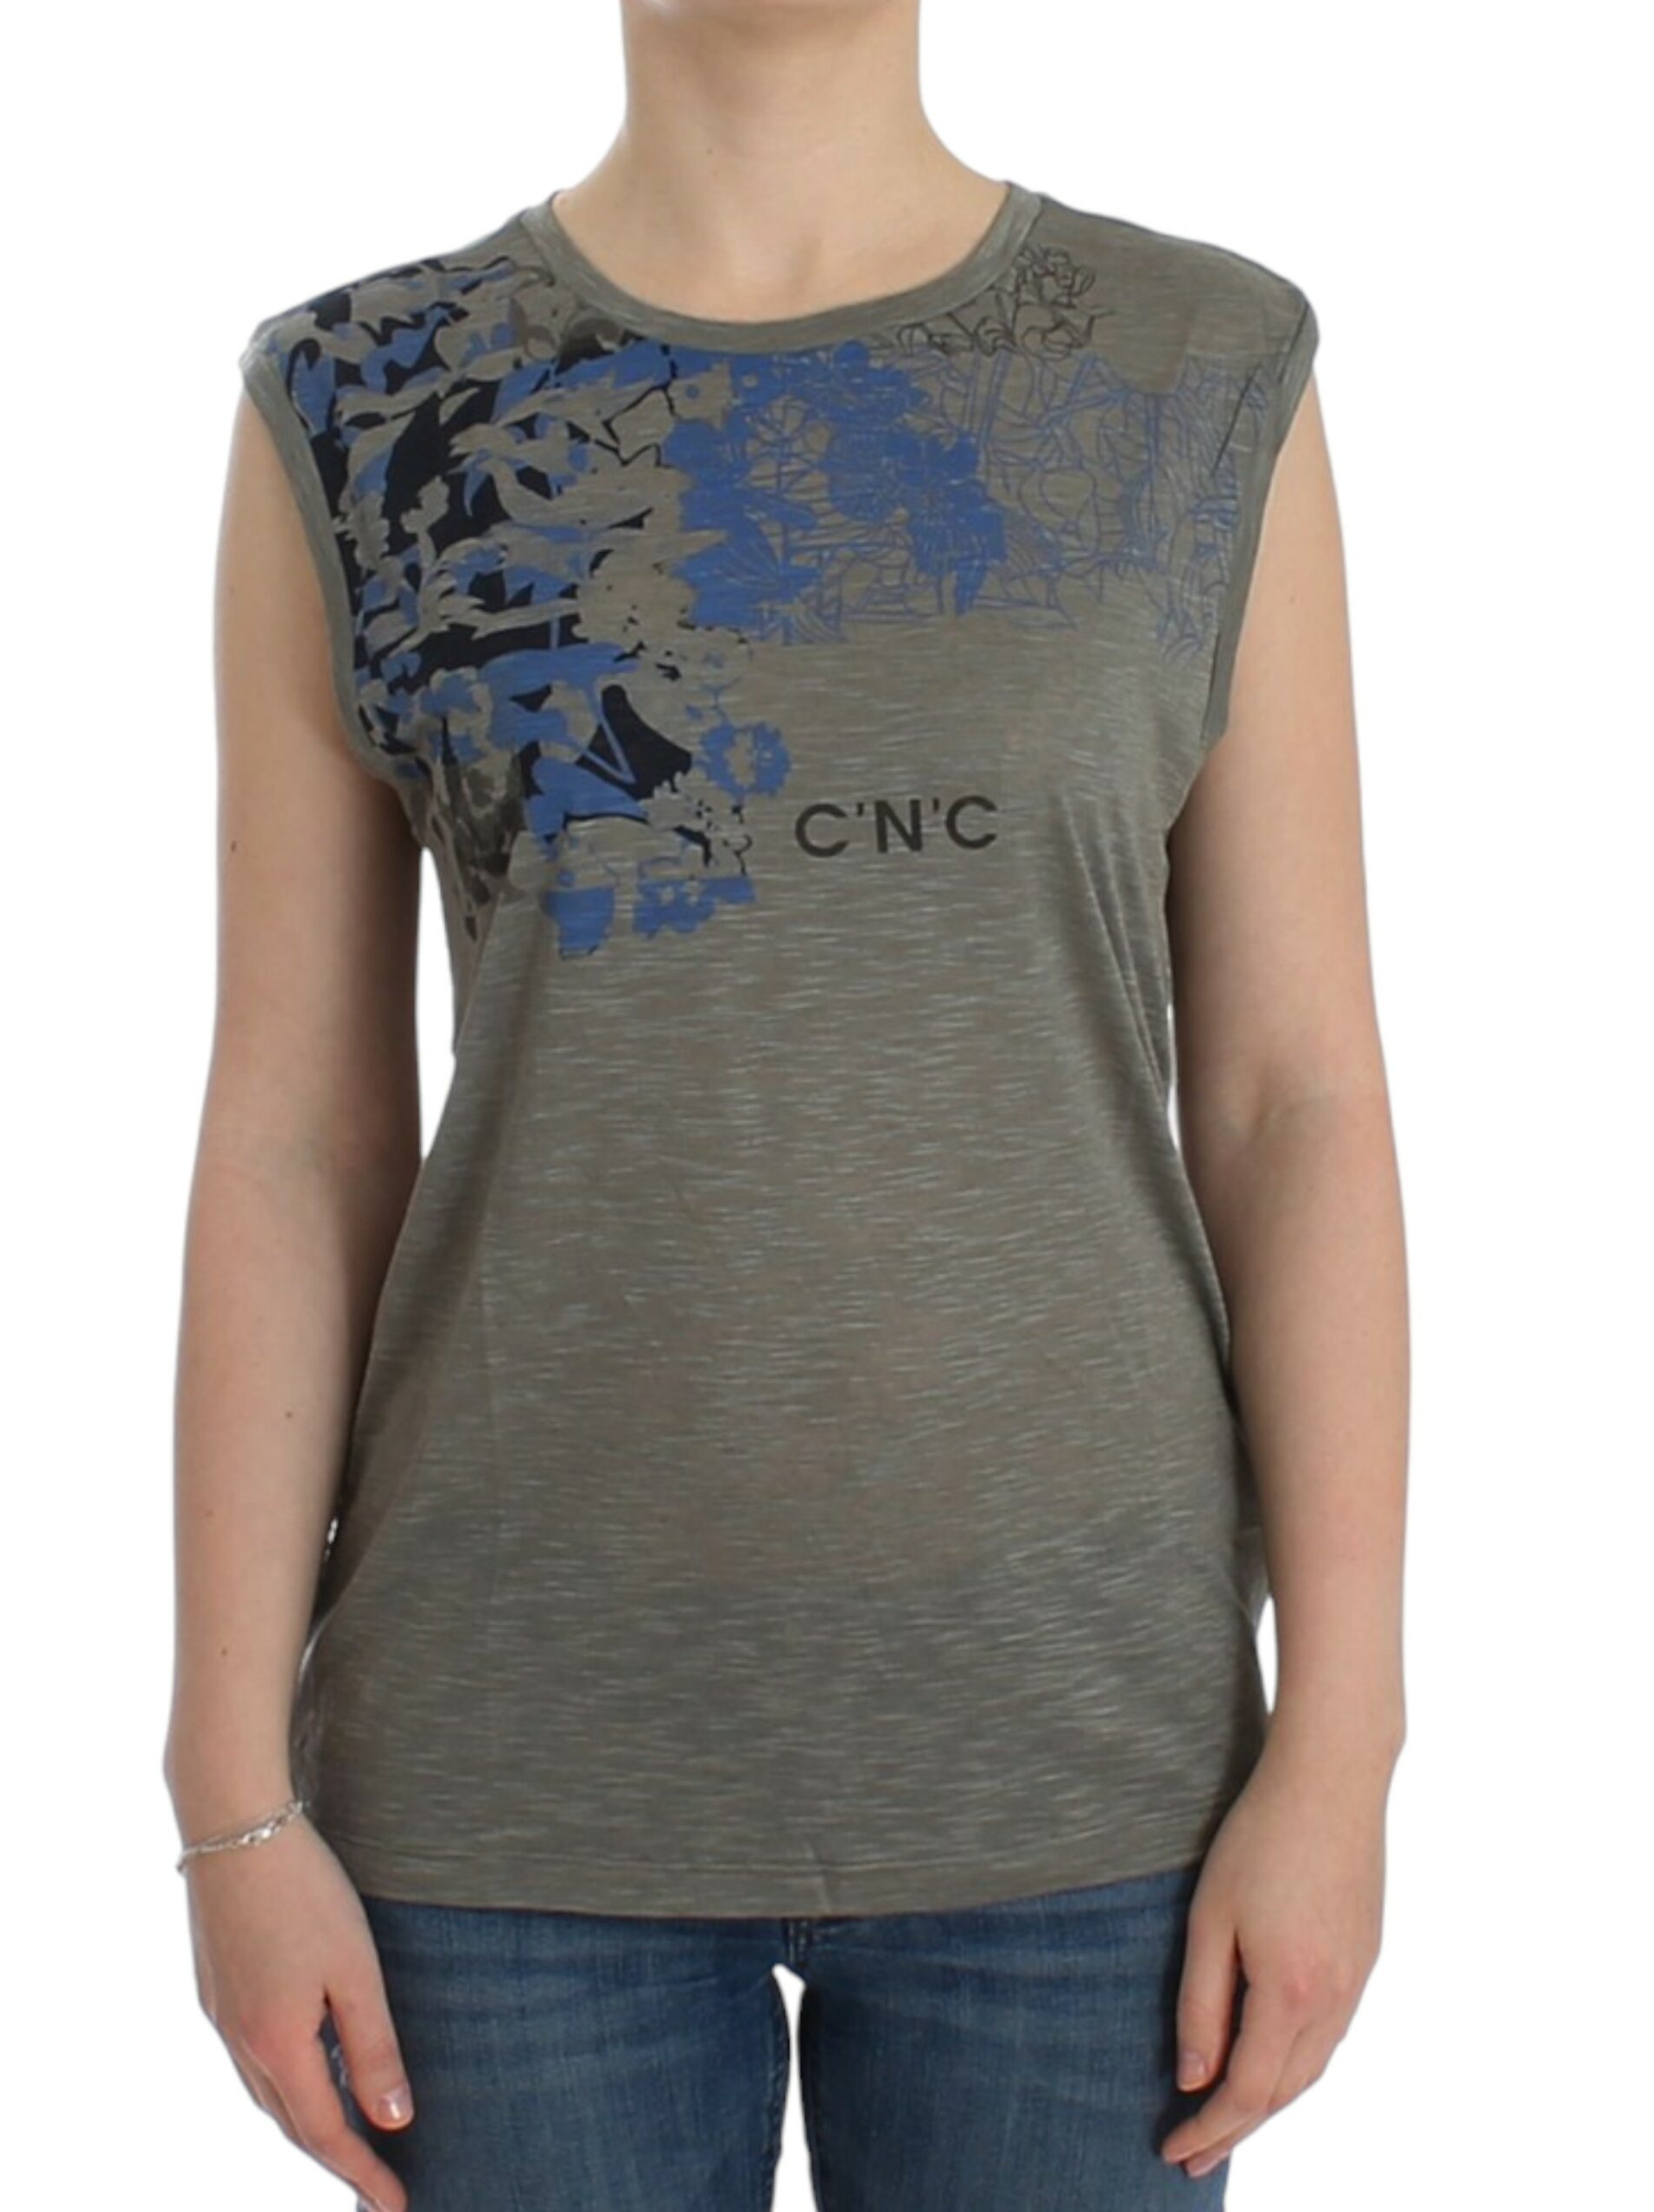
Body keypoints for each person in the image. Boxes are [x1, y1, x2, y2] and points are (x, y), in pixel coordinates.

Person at [165, 3, 1409, 2206]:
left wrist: (1342, 1738)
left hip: (1085, 1770)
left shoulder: (1194, 369)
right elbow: (297, 1133)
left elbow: (1290, 1098)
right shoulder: (364, 397)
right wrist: (225, 1795)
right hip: (508, 1779)